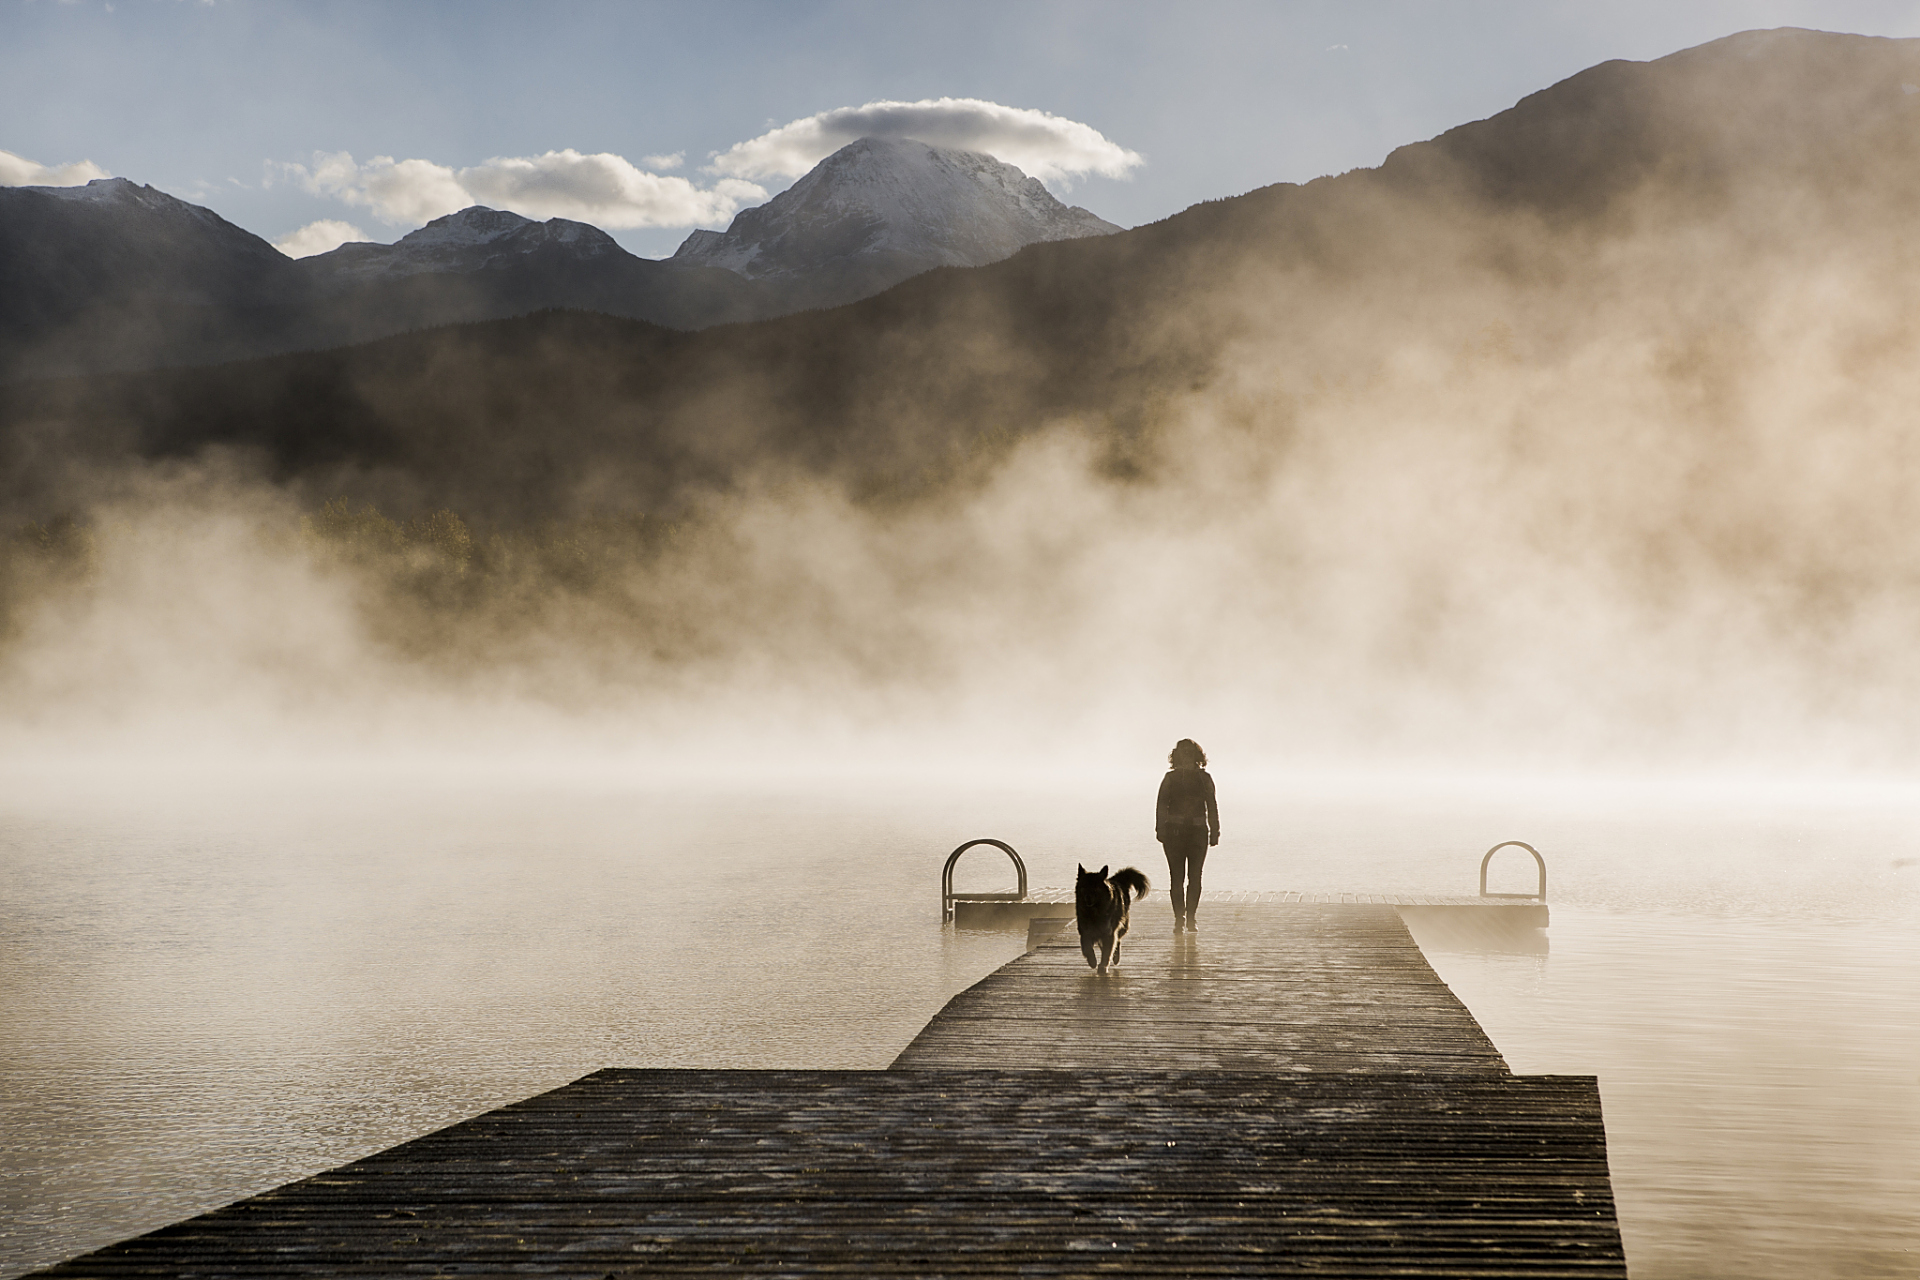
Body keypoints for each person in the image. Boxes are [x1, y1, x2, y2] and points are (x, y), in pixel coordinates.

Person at [1156, 738, 1219, 933]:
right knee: (1178, 878)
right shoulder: (1171, 778)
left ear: (1196, 756)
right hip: (1177, 833)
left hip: (1196, 833)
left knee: (1194, 877)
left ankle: (1189, 918)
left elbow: (1212, 806)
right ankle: (1180, 919)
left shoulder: (1203, 778)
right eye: (1183, 753)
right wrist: (1160, 830)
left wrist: (1215, 830)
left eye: (1189, 753)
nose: (1186, 757)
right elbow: (1161, 806)